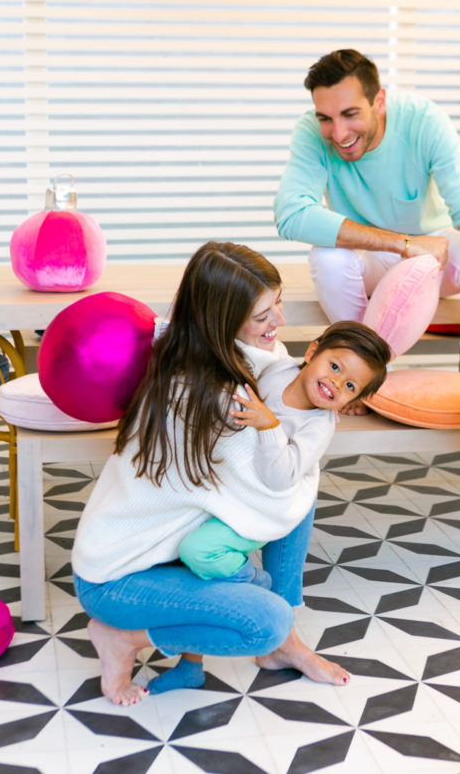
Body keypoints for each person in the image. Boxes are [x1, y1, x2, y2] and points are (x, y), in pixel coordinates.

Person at [71, 241, 350, 706]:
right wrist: (318, 423)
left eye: (277, 303)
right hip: (118, 578)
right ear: (223, 322)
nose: (278, 322)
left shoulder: (229, 353)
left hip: (167, 551)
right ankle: (122, 638)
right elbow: (277, 488)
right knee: (266, 620)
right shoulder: (212, 397)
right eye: (262, 315)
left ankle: (285, 646)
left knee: (295, 471)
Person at [274, 48, 460, 374]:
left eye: (350, 114)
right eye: (325, 118)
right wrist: (404, 243)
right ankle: (360, 372)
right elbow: (291, 214)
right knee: (327, 257)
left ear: (379, 101)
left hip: (436, 255)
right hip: (370, 257)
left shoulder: (424, 122)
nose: (338, 134)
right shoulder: (310, 131)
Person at [178, 320, 390, 585]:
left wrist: (269, 426)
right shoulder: (281, 369)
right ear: (312, 353)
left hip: (264, 507)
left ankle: (255, 581)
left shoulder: (317, 426)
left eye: (350, 387)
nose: (336, 383)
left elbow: (281, 478)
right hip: (233, 487)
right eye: (334, 367)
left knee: (198, 550)